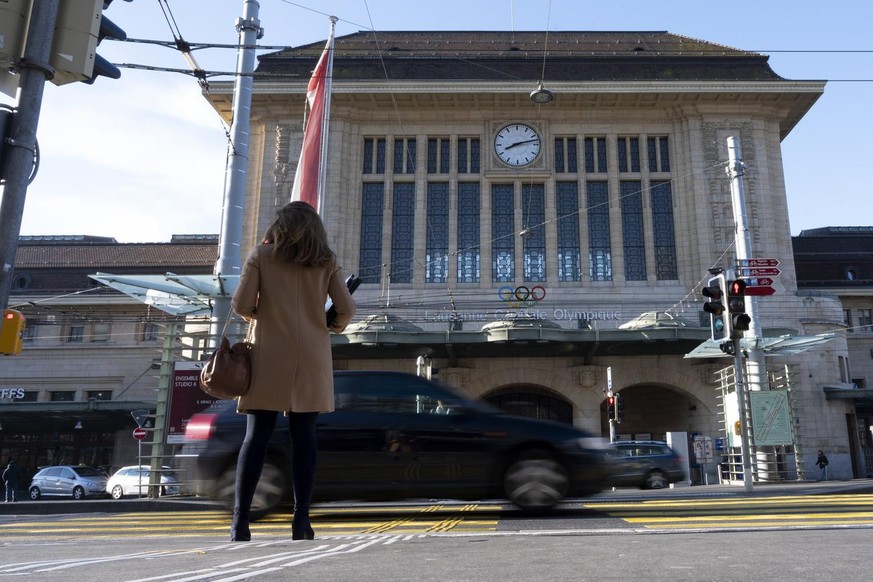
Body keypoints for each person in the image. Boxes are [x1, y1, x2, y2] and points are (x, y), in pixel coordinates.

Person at [229, 201, 355, 542]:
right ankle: (301, 522)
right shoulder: (326, 261)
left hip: (269, 353)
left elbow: (240, 305)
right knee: (305, 440)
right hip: (312, 357)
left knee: (256, 437)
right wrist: (329, 326)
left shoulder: (261, 255)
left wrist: (263, 316)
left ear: (279, 226)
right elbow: (346, 308)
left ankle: (241, 523)